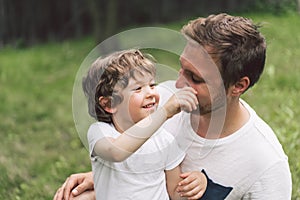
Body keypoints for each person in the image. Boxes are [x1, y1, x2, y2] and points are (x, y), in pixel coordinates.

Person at [54, 13, 292, 200]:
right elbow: (128, 157)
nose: (178, 84)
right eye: (181, 69)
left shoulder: (266, 165)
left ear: (238, 86)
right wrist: (103, 178)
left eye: (195, 78)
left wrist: (202, 185)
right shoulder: (159, 100)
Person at [79, 49, 207, 200]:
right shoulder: (100, 132)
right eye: (138, 88)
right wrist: (165, 112)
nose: (151, 93)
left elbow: (175, 193)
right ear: (109, 103)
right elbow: (116, 152)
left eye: (152, 85)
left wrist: (198, 182)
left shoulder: (164, 140)